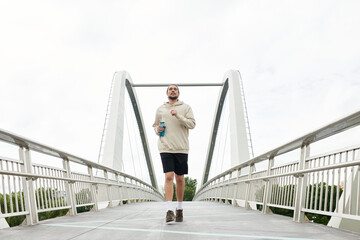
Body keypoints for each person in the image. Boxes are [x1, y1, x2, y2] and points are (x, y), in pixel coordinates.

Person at [152, 84, 196, 223]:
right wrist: (157, 129)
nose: (172, 90)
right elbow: (155, 125)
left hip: (181, 147)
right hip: (165, 147)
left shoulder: (186, 107)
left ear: (178, 93)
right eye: (170, 89)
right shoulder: (160, 109)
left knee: (180, 178)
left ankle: (180, 208)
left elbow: (192, 124)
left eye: (175, 89)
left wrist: (178, 116)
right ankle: (169, 211)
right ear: (166, 92)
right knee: (169, 176)